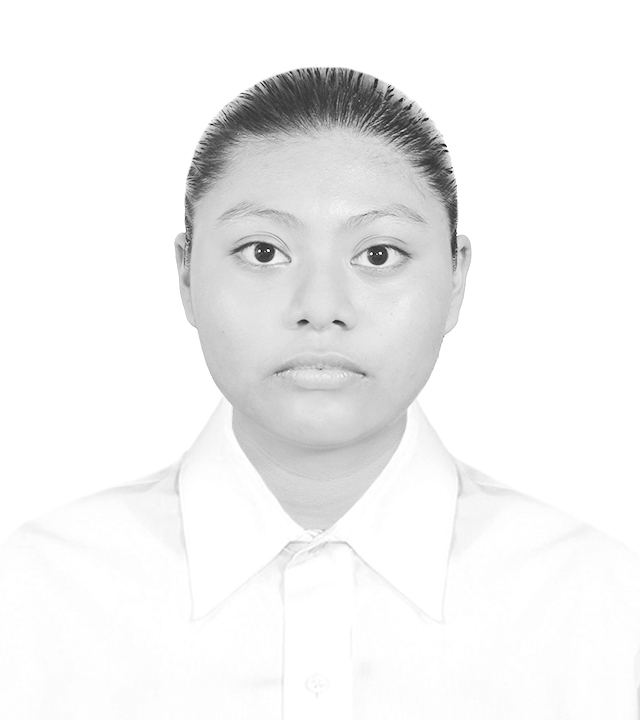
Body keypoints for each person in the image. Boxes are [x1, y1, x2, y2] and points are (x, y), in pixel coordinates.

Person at [1, 67, 638, 719]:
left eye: (379, 255)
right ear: (186, 276)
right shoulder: (32, 595)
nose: (321, 307)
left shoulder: (600, 604)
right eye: (263, 252)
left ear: (456, 280)